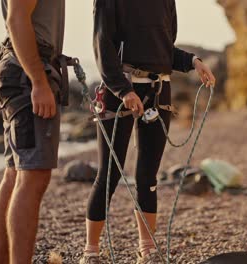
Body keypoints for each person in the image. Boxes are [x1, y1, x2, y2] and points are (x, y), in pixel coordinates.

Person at [79, 0, 216, 263]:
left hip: (158, 91)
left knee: (147, 174)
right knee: (110, 172)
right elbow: (102, 47)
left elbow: (164, 51)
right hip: (119, 90)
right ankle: (91, 251)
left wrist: (193, 61)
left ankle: (147, 249)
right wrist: (123, 90)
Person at [0, 0, 66, 263]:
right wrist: (38, 82)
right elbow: (16, 19)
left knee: (15, 174)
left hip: (21, 70)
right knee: (32, 176)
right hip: (27, 74)